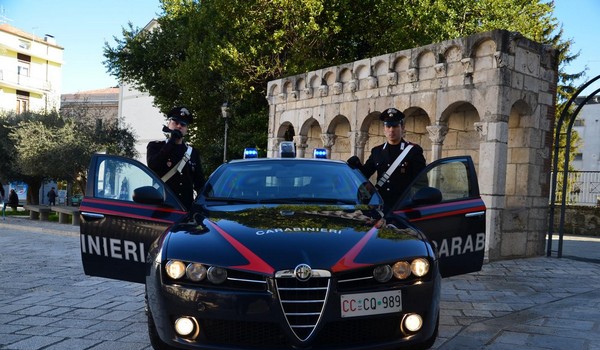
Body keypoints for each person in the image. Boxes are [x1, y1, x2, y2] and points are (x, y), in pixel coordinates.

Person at [348, 107, 426, 211]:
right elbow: (365, 174)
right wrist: (355, 165)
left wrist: (417, 204)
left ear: (402, 128)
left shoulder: (413, 151)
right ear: (384, 129)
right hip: (381, 205)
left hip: (403, 207)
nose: (391, 130)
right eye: (388, 126)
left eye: (395, 126)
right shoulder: (377, 151)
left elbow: (421, 182)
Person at [147, 107, 205, 209]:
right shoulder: (155, 146)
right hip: (162, 208)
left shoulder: (192, 152)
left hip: (185, 209)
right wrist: (172, 142)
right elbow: (153, 165)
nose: (179, 126)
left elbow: (199, 183)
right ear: (169, 124)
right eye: (175, 123)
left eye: (183, 124)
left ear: (186, 129)